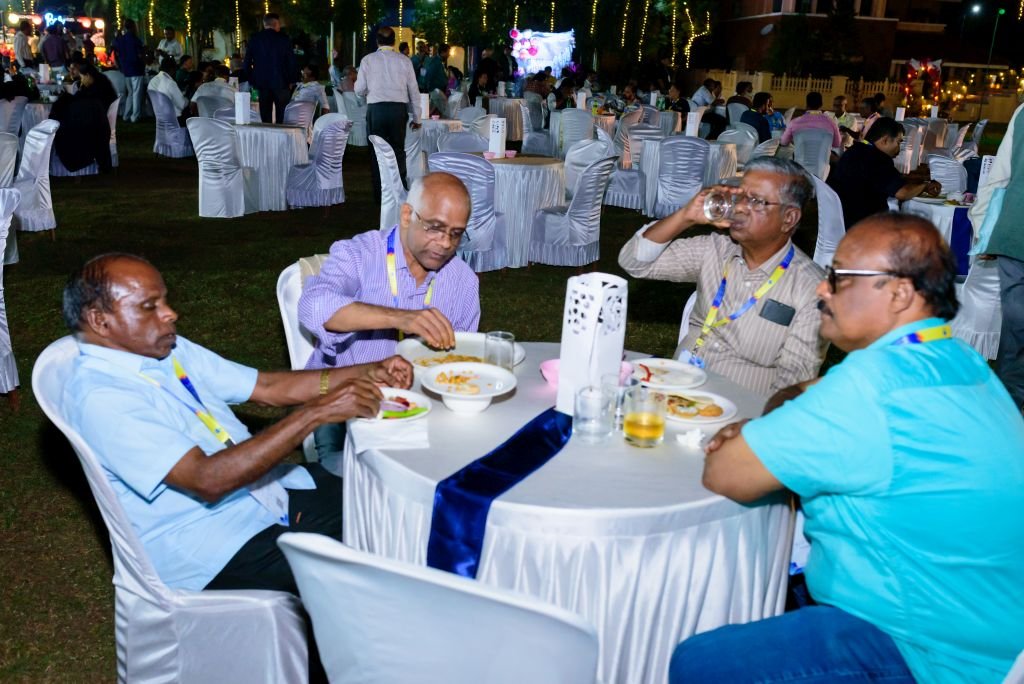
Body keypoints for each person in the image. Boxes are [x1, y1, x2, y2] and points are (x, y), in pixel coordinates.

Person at [670, 213, 1024, 683]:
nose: (822, 289)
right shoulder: (958, 360)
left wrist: (757, 430)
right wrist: (792, 409)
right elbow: (816, 396)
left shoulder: (873, 386)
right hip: (989, 625)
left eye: (839, 277)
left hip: (932, 652)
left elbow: (726, 473)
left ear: (898, 293)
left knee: (703, 662)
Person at [62, 253, 415, 594]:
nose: (170, 313)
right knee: (380, 559)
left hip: (265, 496)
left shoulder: (164, 351)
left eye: (165, 301)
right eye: (149, 306)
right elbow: (207, 480)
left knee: (399, 507)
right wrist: (315, 413)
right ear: (100, 321)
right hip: (214, 546)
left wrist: (366, 371)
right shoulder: (103, 397)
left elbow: (267, 388)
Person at [298, 173, 480, 458]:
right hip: (345, 401)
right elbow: (314, 305)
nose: (445, 243)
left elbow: (461, 361)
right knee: (346, 476)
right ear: (407, 215)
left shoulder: (463, 281)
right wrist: (400, 317)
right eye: (435, 228)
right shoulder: (360, 255)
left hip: (420, 406)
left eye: (456, 233)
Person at [618, 157, 826, 397]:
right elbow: (634, 263)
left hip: (741, 408)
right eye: (740, 196)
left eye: (755, 201)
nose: (739, 208)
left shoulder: (811, 289)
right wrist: (685, 216)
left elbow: (794, 382)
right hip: (675, 389)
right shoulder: (716, 249)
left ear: (789, 218)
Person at [970, 101, 1024, 410]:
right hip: (1015, 235)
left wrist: (982, 228)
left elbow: (998, 176)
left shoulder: (1022, 111)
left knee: (1015, 333)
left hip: (1014, 233)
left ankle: (1007, 412)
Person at [831, 117, 941, 229]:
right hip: (866, 225)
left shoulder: (854, 151)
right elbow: (903, 193)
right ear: (885, 140)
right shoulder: (877, 159)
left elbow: (888, 178)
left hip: (841, 220)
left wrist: (918, 180)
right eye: (898, 142)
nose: (899, 150)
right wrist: (925, 186)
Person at [355, 26, 421, 204]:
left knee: (377, 152)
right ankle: (399, 193)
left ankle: (381, 195)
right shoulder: (404, 61)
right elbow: (414, 90)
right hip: (398, 110)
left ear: (377, 41)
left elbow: (359, 89)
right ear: (394, 41)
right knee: (398, 150)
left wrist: (369, 91)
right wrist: (417, 117)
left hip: (376, 110)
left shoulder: (367, 60)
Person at [49, 63, 117, 172]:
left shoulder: (96, 89)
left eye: (82, 77)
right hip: (99, 120)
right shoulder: (100, 82)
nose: (82, 80)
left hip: (94, 122)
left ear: (88, 76)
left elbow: (86, 101)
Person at [243, 13, 297, 124]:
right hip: (282, 83)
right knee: (282, 117)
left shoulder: (255, 39)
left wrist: (252, 80)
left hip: (262, 83)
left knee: (265, 117)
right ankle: (281, 135)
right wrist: (292, 80)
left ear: (265, 24)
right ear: (276, 24)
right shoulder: (284, 39)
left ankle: (267, 134)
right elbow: (291, 62)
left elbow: (246, 62)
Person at [110, 19, 145, 123]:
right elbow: (140, 54)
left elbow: (114, 48)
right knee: (136, 93)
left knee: (130, 93)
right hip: (136, 69)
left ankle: (126, 115)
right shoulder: (135, 39)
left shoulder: (120, 39)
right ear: (134, 27)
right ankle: (135, 116)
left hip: (126, 70)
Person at [148, 57, 189, 124]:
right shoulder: (169, 82)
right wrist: (187, 99)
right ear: (172, 69)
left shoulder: (152, 81)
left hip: (159, 115)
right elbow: (182, 105)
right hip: (174, 118)